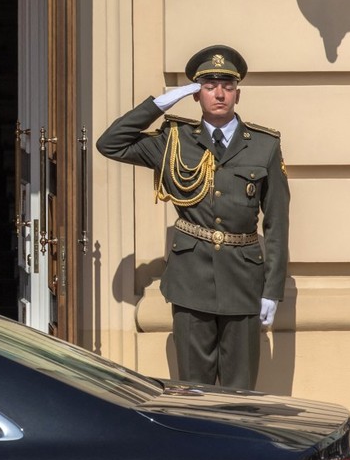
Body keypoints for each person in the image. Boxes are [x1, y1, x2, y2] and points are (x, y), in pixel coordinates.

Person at [95, 44, 289, 390]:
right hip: (190, 280)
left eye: (227, 87)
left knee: (240, 389)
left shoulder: (264, 145)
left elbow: (277, 223)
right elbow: (111, 143)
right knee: (192, 389)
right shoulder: (174, 139)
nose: (219, 94)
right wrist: (161, 104)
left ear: (237, 95)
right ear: (197, 94)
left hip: (244, 280)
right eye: (209, 86)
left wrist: (272, 290)